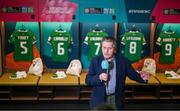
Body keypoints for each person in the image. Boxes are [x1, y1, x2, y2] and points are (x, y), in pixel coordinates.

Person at [85, 37, 149, 110]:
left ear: (114, 49)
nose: (106, 51)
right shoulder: (95, 60)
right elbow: (88, 80)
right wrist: (99, 77)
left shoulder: (123, 61)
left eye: (110, 48)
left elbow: (133, 75)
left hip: (116, 98)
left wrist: (143, 78)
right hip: (99, 99)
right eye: (104, 48)